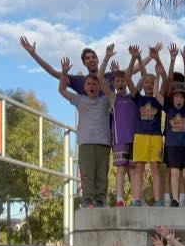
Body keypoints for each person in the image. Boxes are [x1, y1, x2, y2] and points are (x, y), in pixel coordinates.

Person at [59, 55, 112, 208]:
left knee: (101, 174)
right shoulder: (80, 100)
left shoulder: (106, 101)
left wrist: (106, 59)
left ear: (99, 87)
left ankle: (101, 200)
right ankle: (88, 199)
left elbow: (107, 87)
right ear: (84, 87)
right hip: (86, 143)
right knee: (87, 174)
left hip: (103, 143)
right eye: (88, 84)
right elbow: (62, 89)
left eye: (94, 84)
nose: (91, 86)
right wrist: (64, 73)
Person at [128, 43, 168, 206]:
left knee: (155, 168)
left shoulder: (158, 99)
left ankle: (158, 200)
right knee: (139, 167)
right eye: (146, 82)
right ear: (142, 84)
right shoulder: (138, 98)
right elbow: (128, 79)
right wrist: (134, 58)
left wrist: (157, 62)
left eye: (152, 82)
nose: (149, 85)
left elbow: (166, 79)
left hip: (156, 136)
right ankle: (137, 199)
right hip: (140, 136)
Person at [161, 44, 185, 206]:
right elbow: (167, 83)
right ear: (172, 97)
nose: (179, 99)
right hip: (172, 145)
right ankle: (174, 199)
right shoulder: (168, 106)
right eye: (176, 96)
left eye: (181, 96)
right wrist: (172, 59)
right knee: (174, 172)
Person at [111, 49, 141, 206]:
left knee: (133, 170)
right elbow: (101, 79)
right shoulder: (113, 98)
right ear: (114, 84)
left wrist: (135, 58)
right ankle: (120, 199)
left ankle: (136, 199)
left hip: (134, 139)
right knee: (121, 169)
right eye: (117, 81)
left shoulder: (133, 97)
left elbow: (134, 78)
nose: (121, 83)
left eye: (123, 81)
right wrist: (108, 59)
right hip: (120, 139)